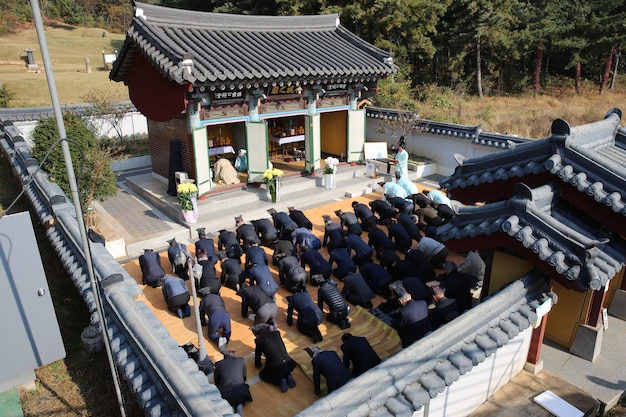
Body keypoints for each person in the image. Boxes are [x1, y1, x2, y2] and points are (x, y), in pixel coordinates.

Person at [252, 323, 297, 393]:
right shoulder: (276, 333)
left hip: (278, 367)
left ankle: (280, 381)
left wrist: (257, 365)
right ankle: (288, 375)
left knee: (263, 375)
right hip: (290, 363)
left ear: (256, 334)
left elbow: (258, 355)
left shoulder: (259, 340)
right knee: (282, 366)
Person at [213, 350, 252, 414]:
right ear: (233, 355)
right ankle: (240, 406)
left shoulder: (219, 365)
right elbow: (244, 377)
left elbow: (217, 382)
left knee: (231, 405)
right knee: (239, 402)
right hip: (242, 393)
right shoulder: (241, 361)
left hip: (226, 395)